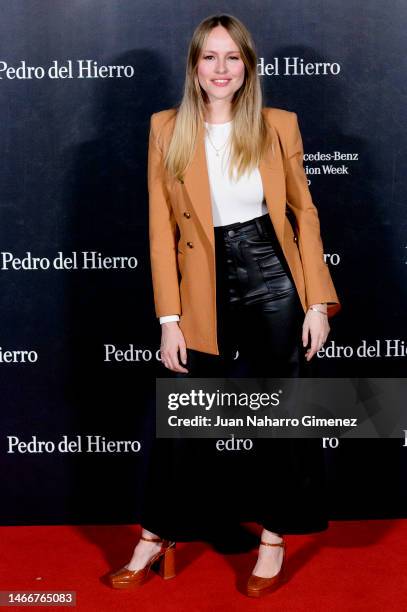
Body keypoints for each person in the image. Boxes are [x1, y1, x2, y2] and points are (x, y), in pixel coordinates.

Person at [108, 13, 341, 597]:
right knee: (182, 418)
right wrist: (168, 319)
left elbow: (303, 214)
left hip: (270, 275)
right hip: (199, 287)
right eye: (209, 57)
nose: (220, 68)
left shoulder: (278, 124)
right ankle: (155, 534)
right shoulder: (166, 128)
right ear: (194, 66)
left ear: (247, 67)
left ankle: (273, 539)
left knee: (281, 418)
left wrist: (316, 301)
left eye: (231, 57)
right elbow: (161, 232)